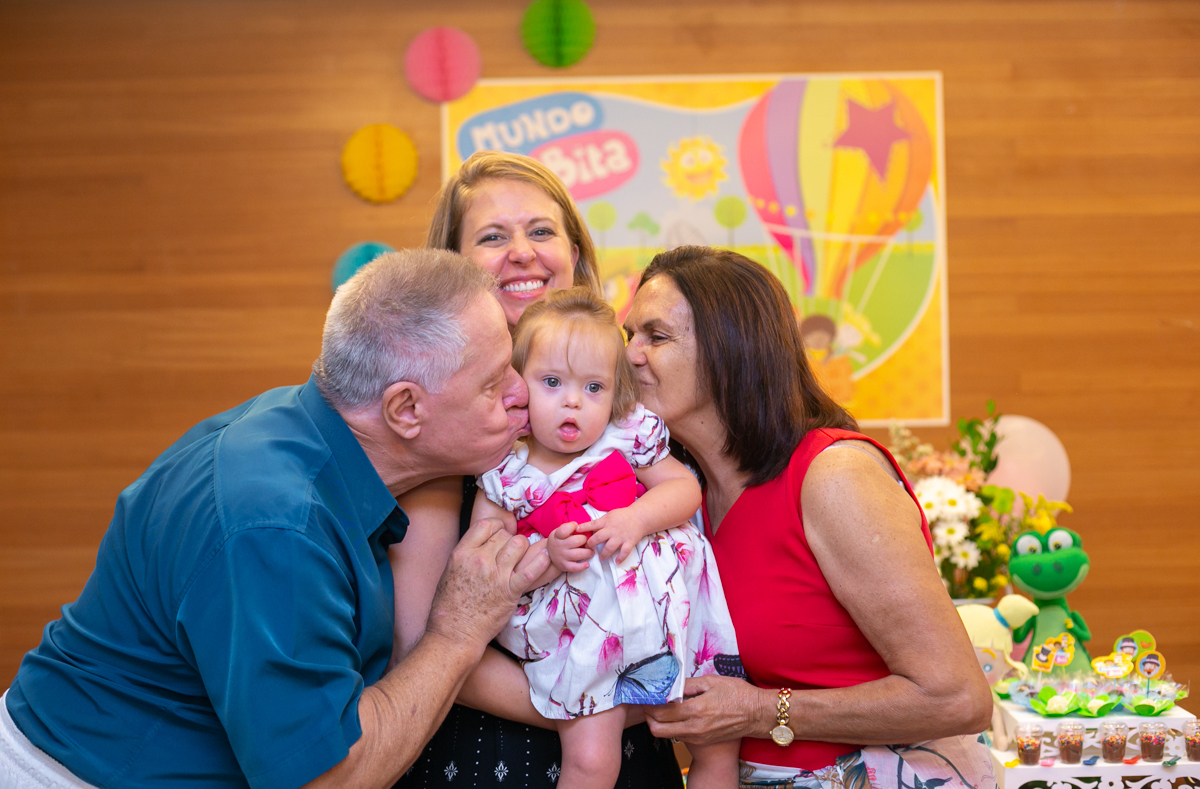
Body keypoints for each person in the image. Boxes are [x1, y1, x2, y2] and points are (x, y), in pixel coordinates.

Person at [1, 249, 551, 789]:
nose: (520, 393)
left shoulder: (302, 427)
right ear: (405, 409)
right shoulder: (277, 524)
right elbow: (331, 778)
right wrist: (457, 633)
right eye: (493, 382)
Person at [624, 247, 996, 789]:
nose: (630, 355)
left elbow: (957, 698)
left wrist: (759, 711)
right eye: (628, 335)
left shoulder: (832, 474)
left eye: (655, 337)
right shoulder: (682, 498)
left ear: (735, 352)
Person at [393, 151, 683, 787]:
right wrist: (585, 705)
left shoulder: (633, 396)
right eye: (493, 237)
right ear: (454, 269)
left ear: (574, 252)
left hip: (634, 750)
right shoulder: (440, 424)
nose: (522, 252)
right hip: (490, 755)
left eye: (542, 230)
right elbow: (416, 641)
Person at [472, 288, 741, 788]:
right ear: (516, 383)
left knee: (717, 745)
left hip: (669, 616)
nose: (573, 400)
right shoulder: (506, 471)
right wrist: (544, 554)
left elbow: (684, 489)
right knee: (591, 760)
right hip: (585, 638)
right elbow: (483, 562)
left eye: (594, 387)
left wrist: (636, 519)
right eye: (551, 382)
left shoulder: (625, 434)